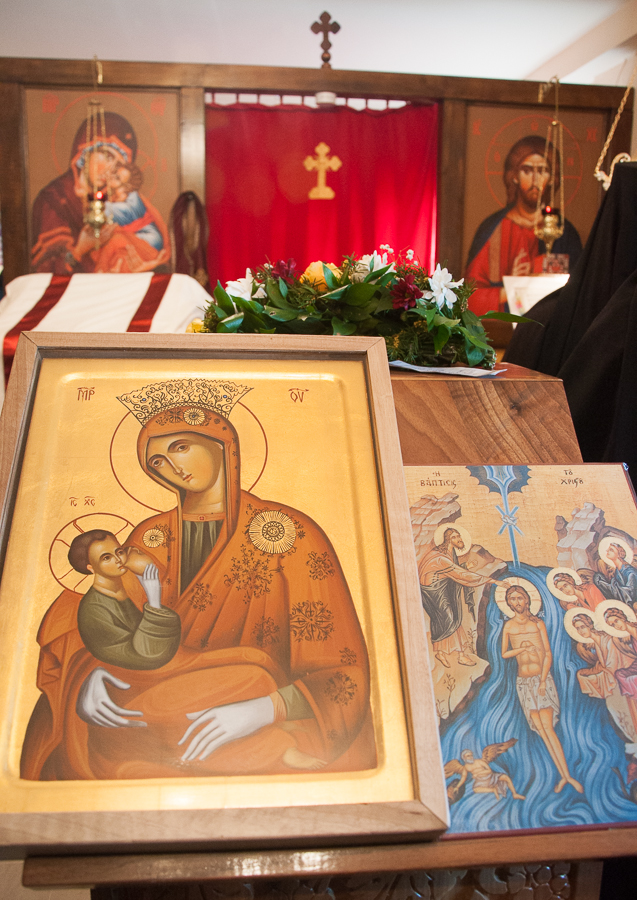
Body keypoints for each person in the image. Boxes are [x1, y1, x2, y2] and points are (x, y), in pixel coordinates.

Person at [21, 380, 374, 780]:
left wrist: (263, 710)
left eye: (180, 447)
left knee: (254, 679)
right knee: (117, 731)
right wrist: (88, 676)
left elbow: (342, 671)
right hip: (152, 700)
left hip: (250, 705)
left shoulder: (290, 533)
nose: (172, 468)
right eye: (157, 462)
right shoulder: (149, 538)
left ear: (221, 443)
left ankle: (261, 743)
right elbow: (113, 626)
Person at [30, 112, 169, 275]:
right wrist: (80, 249)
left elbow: (156, 252)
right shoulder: (54, 199)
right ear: (85, 151)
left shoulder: (118, 197)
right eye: (108, 156)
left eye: (118, 164)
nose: (110, 169)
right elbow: (45, 270)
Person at [465, 135, 582, 315]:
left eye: (542, 171)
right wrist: (513, 287)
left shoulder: (564, 233)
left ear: (552, 178)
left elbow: (579, 292)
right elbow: (470, 298)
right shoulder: (494, 229)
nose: (535, 180)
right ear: (515, 176)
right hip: (503, 329)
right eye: (527, 171)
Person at [501, 584, 582, 793]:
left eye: (519, 598)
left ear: (527, 600)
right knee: (541, 732)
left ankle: (568, 776)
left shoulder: (538, 623)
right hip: (523, 682)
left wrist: (544, 680)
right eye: (512, 599)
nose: (516, 602)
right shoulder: (508, 626)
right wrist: (521, 648)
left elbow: (547, 653)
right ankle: (563, 777)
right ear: (508, 603)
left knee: (549, 729)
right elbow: (504, 654)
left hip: (540, 679)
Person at [69, 529, 181, 671]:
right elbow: (148, 656)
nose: (118, 559)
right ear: (91, 568)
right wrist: (154, 600)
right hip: (130, 670)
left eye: (119, 552)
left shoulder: (125, 589)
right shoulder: (93, 609)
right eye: (106, 558)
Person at [419, 527, 502, 668]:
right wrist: (491, 580)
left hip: (441, 586)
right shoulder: (440, 556)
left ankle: (453, 653)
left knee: (450, 618)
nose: (459, 539)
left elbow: (452, 569)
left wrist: (464, 566)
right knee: (448, 618)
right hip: (433, 590)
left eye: (459, 536)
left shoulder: (448, 552)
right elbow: (460, 574)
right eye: (455, 537)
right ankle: (450, 653)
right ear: (448, 540)